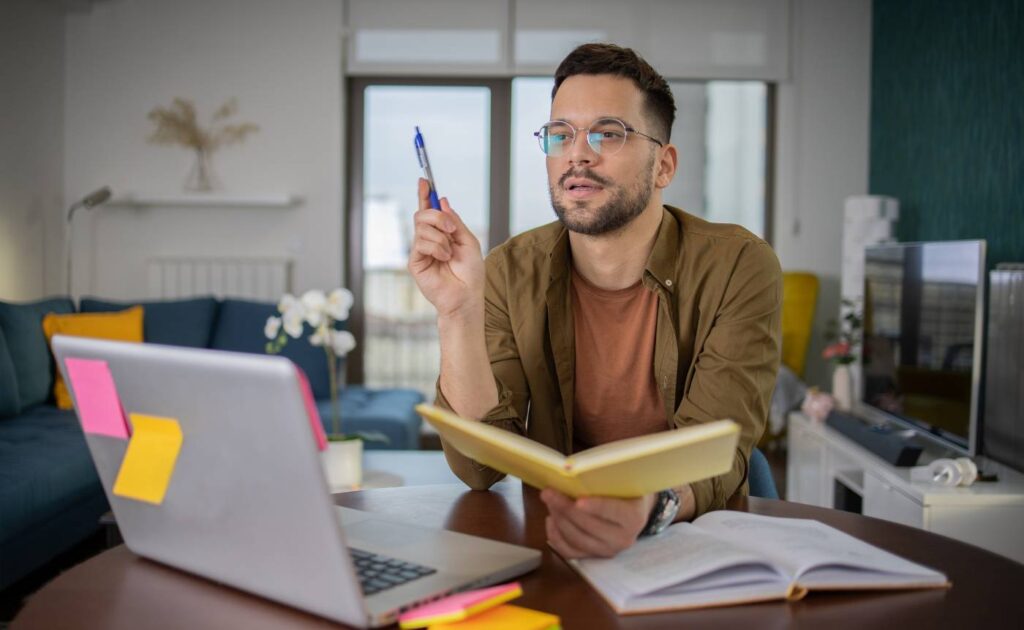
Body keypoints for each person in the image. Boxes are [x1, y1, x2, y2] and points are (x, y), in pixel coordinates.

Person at [408, 43, 781, 559]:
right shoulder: (509, 271)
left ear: (663, 166)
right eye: (560, 135)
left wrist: (645, 509)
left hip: (692, 538)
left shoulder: (739, 264)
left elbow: (720, 448)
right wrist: (457, 313)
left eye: (609, 133)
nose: (577, 153)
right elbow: (478, 467)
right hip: (561, 538)